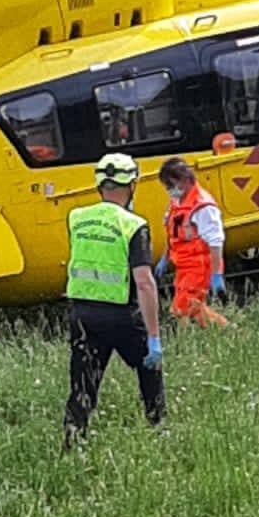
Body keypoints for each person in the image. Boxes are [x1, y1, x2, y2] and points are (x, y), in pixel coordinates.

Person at [63, 150, 165, 442]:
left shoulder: (76, 218)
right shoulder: (133, 225)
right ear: (132, 185)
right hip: (122, 314)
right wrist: (154, 336)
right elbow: (144, 282)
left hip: (82, 313)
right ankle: (158, 430)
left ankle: (74, 439)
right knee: (149, 369)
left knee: (83, 382)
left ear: (99, 187)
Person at [158, 156, 229, 329]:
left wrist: (216, 273)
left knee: (181, 309)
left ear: (183, 180)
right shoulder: (178, 201)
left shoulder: (203, 207)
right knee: (195, 310)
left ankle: (184, 346)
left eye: (170, 185)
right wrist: (164, 259)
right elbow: (173, 233)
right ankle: (229, 332)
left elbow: (215, 241)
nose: (168, 190)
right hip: (184, 266)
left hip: (199, 266)